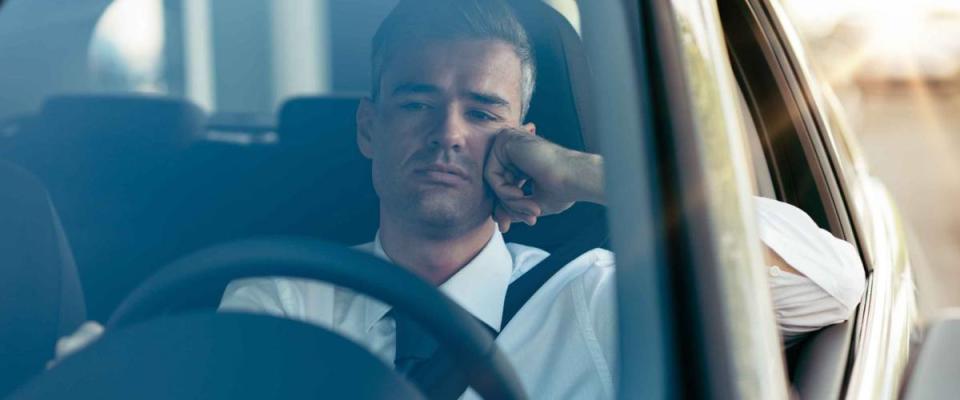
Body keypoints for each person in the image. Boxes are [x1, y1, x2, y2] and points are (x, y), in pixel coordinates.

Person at [55, 0, 866, 398]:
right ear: (369, 128)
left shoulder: (599, 296)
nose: (446, 132)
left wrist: (583, 173)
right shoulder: (282, 299)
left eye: (483, 113)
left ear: (524, 139)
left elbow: (829, 285)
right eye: (414, 103)